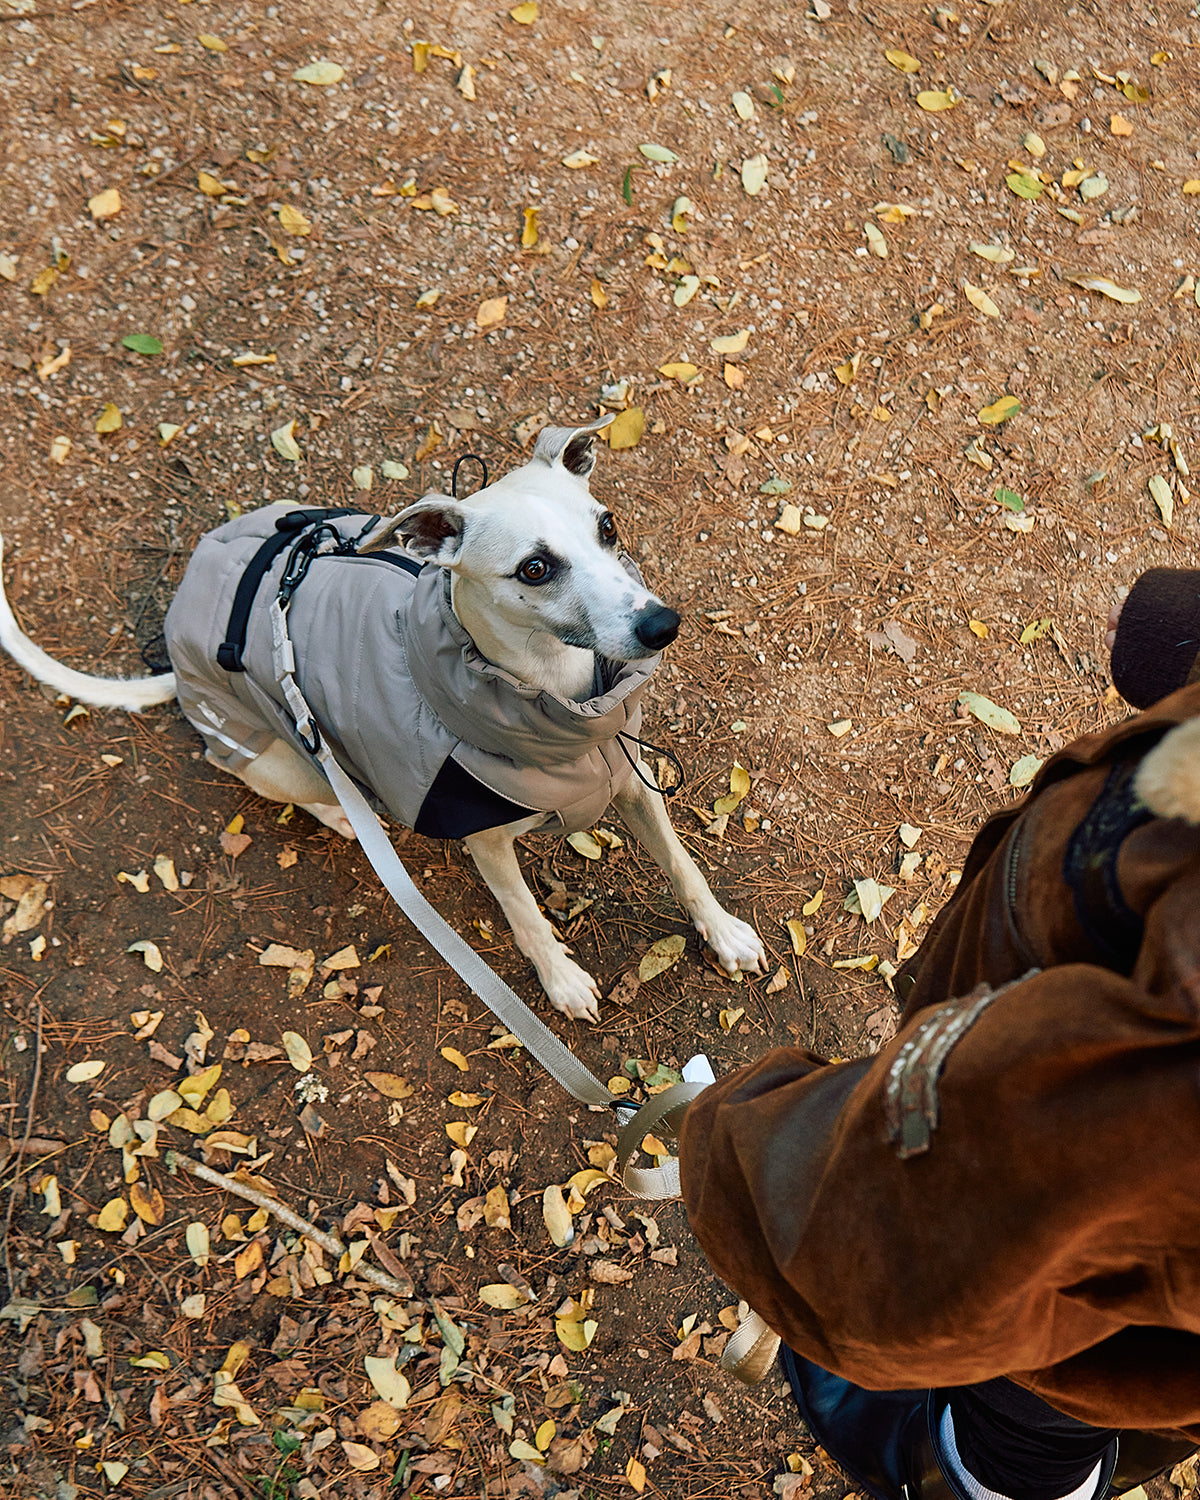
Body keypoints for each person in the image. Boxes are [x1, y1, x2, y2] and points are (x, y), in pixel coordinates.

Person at [679, 569, 1200, 1500]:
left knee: (1036, 1403)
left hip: (1084, 1325)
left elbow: (896, 1254)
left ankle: (979, 1475)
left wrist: (729, 1141)